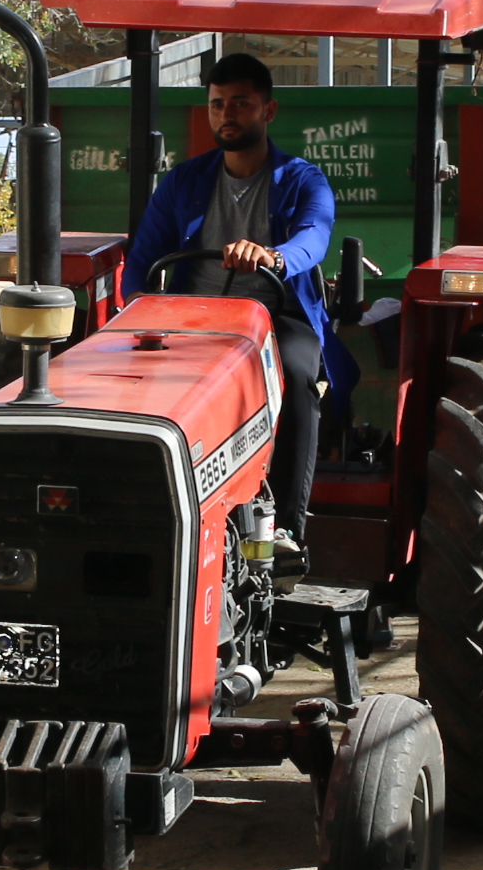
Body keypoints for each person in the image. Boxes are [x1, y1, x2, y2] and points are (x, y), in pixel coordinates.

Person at [123, 50, 338, 557]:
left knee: (299, 375)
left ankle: (288, 529)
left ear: (268, 111)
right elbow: (144, 258)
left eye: (240, 103)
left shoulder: (304, 180)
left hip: (272, 315)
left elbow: (315, 236)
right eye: (218, 105)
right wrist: (139, 306)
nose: (227, 115)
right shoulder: (184, 182)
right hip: (191, 319)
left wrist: (275, 257)